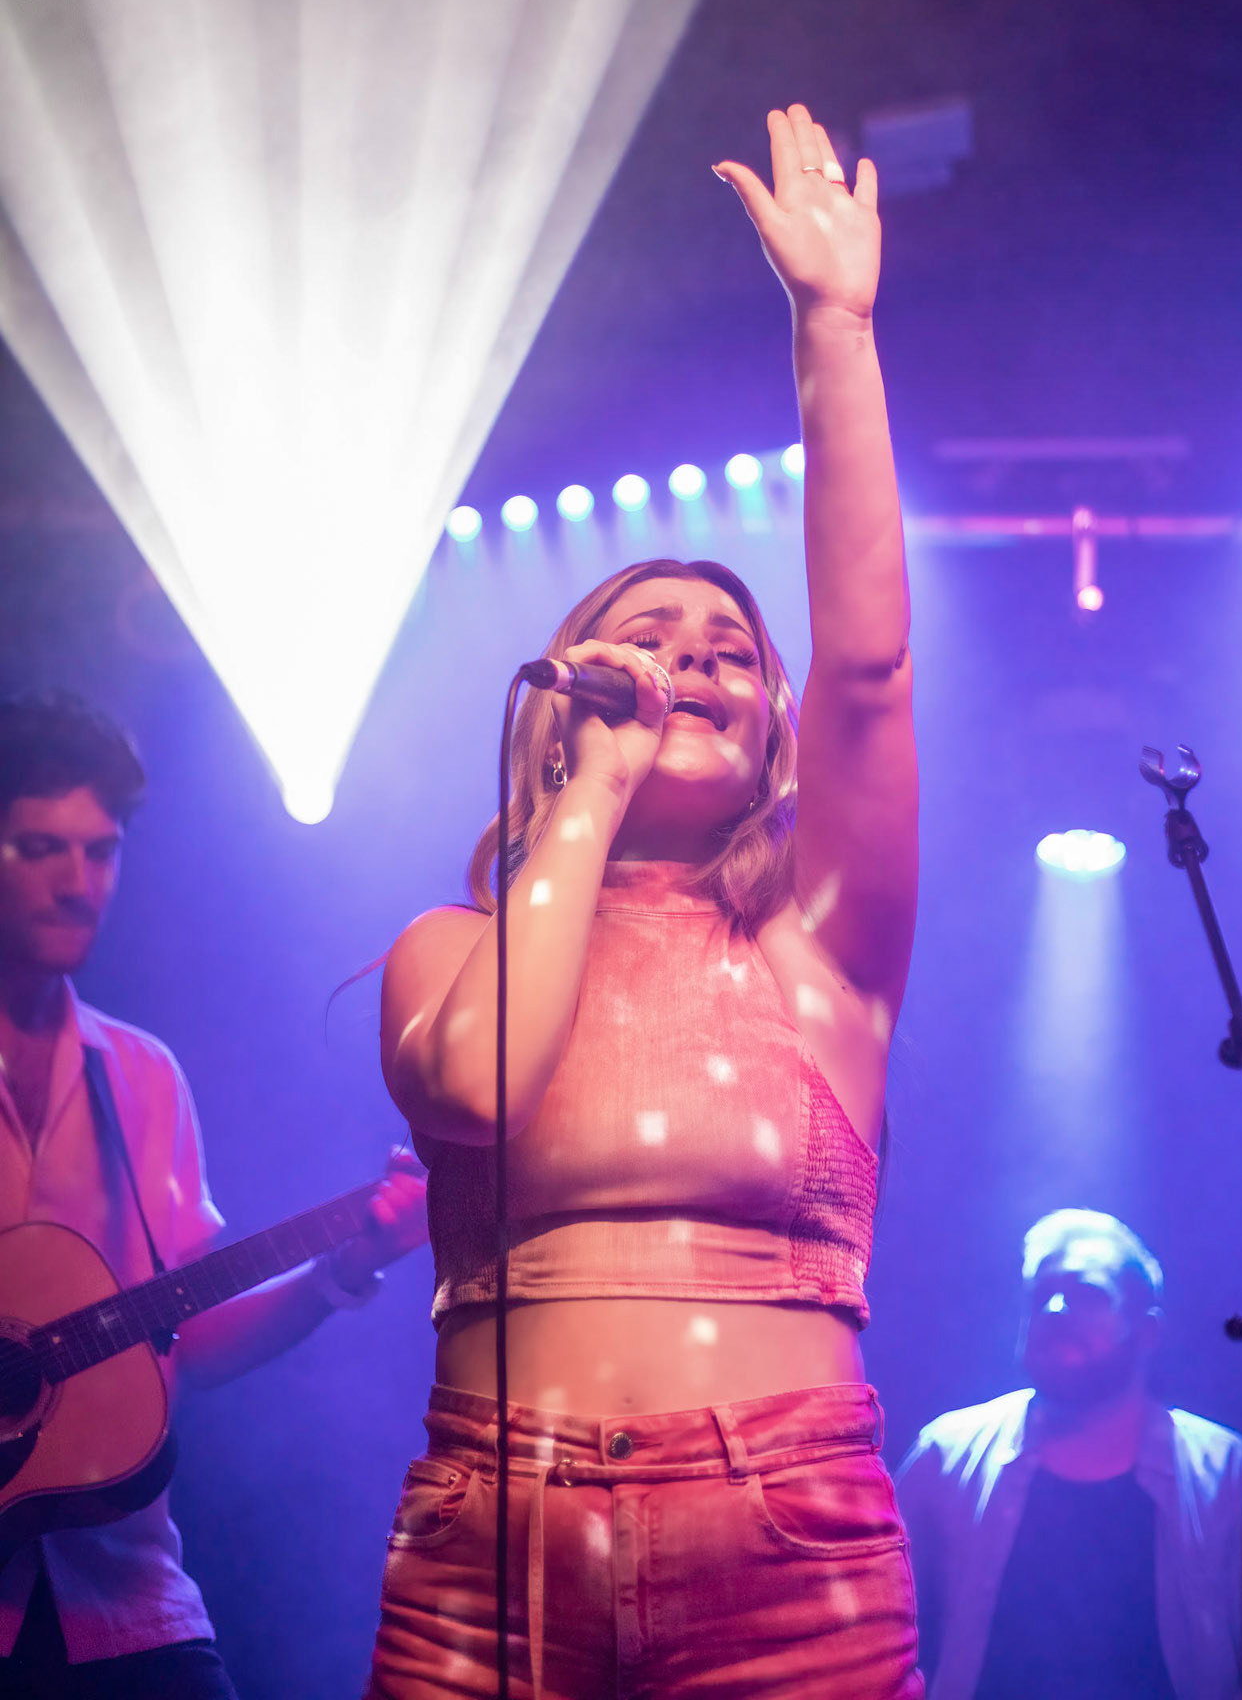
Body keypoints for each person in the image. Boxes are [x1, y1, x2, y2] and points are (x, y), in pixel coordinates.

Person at [370, 105, 921, 1699]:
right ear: (561, 700)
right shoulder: (447, 948)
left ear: (769, 732)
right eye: (648, 634)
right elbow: (483, 1085)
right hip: (485, 1548)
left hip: (783, 1536)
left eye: (729, 650)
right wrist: (586, 800)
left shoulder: (820, 937)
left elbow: (873, 670)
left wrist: (835, 325)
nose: (689, 655)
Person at [0, 692, 430, 1700]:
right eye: (39, 847)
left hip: (130, 1602)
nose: (78, 885)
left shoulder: (141, 1077)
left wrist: (342, 1266)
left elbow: (185, 1341)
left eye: (100, 852)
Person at [895, 1208, 1242, 1700]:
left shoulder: (1231, 1476)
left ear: (1148, 1332)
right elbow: (870, 1638)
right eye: (1042, 1294)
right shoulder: (943, 1457)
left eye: (1087, 1294)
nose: (1054, 1310)